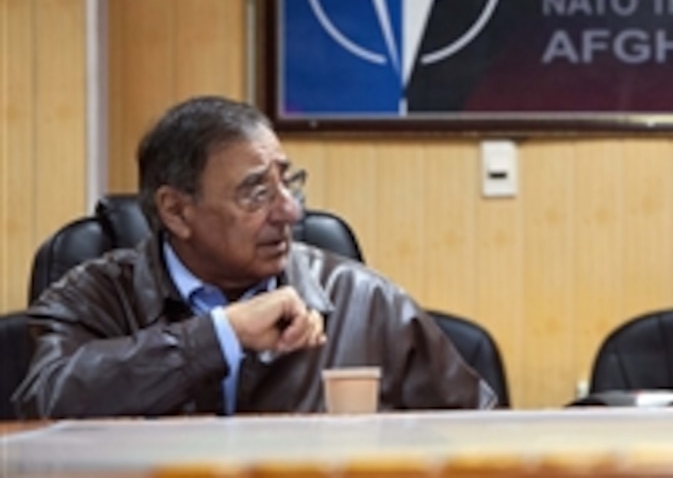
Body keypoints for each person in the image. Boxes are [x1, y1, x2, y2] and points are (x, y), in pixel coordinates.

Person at [15, 96, 496, 417]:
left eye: (288, 182)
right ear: (177, 211)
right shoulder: (93, 297)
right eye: (256, 192)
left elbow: (484, 434)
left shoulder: (362, 301)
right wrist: (222, 334)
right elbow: (44, 402)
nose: (290, 210)